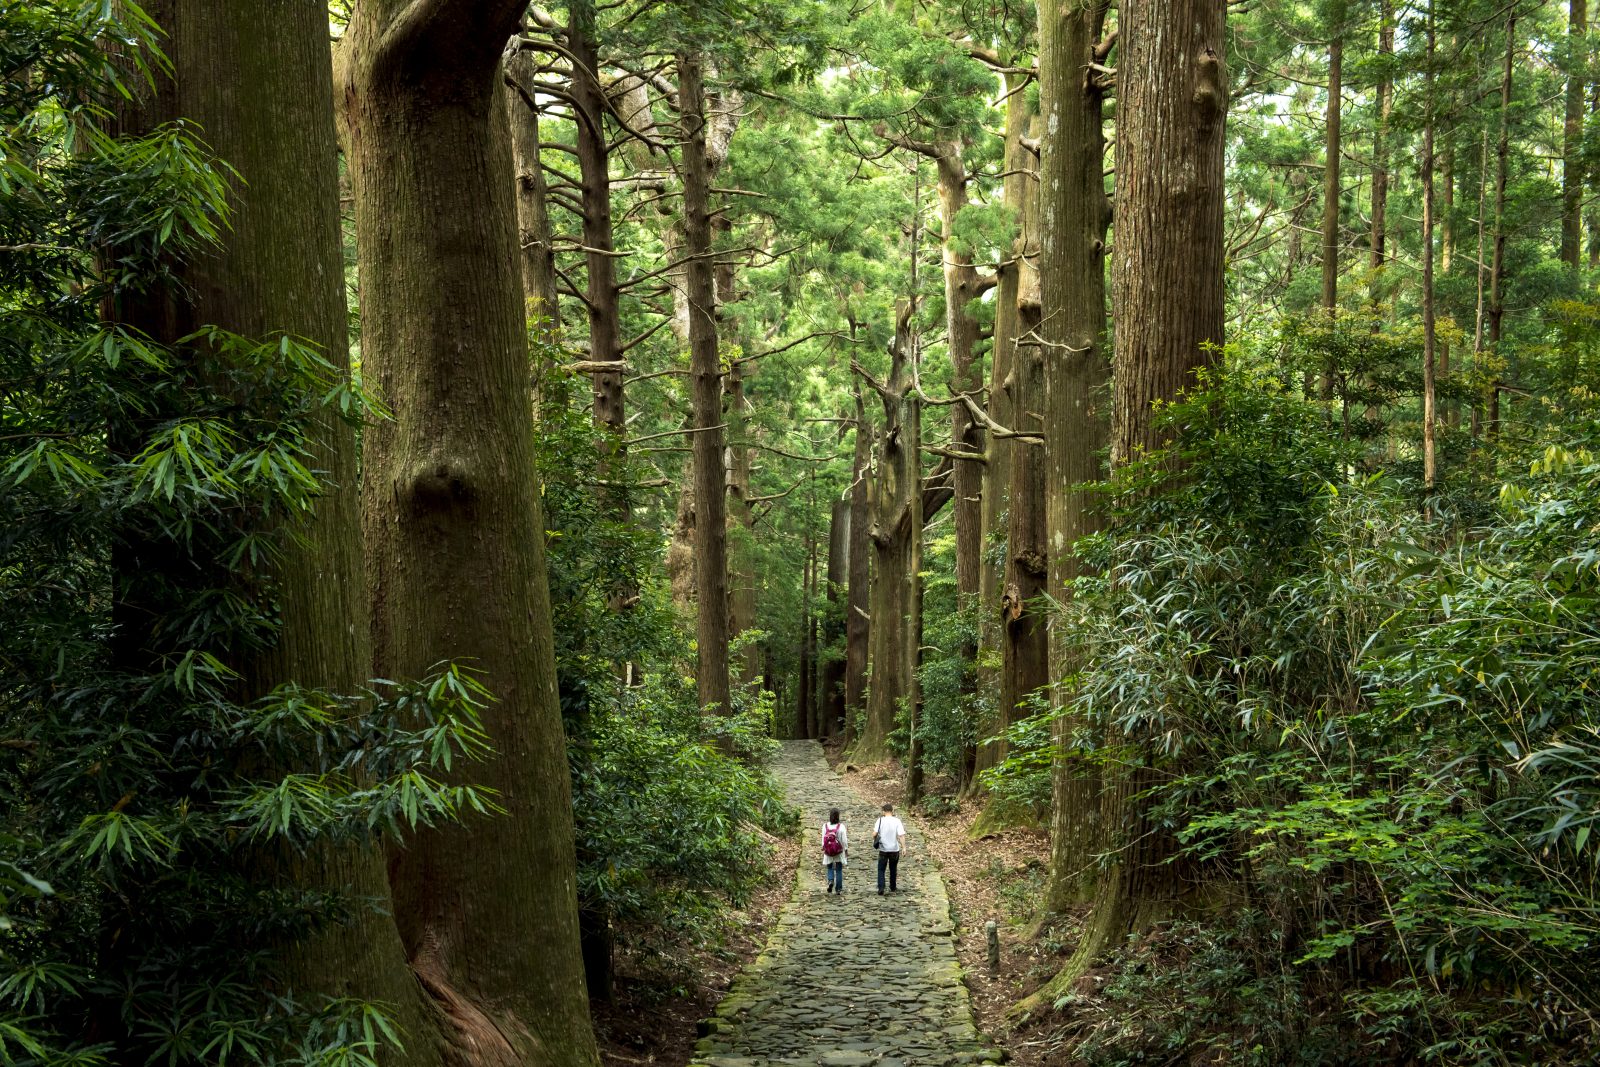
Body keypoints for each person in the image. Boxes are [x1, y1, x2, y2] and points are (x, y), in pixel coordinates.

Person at [873, 802, 906, 894]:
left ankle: (881, 887)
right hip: (894, 849)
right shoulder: (897, 821)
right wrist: (904, 847)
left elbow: (874, 833)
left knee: (881, 869)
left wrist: (875, 838)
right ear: (892, 811)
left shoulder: (880, 820)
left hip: (883, 848)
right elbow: (901, 835)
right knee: (893, 868)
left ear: (883, 811)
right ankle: (892, 886)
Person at [821, 807, 848, 894]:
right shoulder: (841, 827)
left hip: (828, 850)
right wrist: (846, 849)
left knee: (829, 867)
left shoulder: (825, 826)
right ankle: (838, 889)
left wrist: (823, 847)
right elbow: (844, 840)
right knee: (839, 869)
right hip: (838, 850)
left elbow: (823, 838)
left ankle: (830, 880)